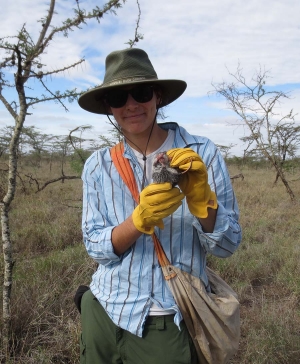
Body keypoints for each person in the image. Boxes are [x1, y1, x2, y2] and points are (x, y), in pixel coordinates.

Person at [77, 48, 242, 364]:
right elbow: (96, 248)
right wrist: (137, 222)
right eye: (118, 97)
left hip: (167, 315)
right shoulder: (98, 165)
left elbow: (228, 244)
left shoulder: (201, 153)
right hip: (103, 307)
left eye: (140, 92)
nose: (131, 104)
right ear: (108, 107)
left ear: (158, 96)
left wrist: (201, 200)